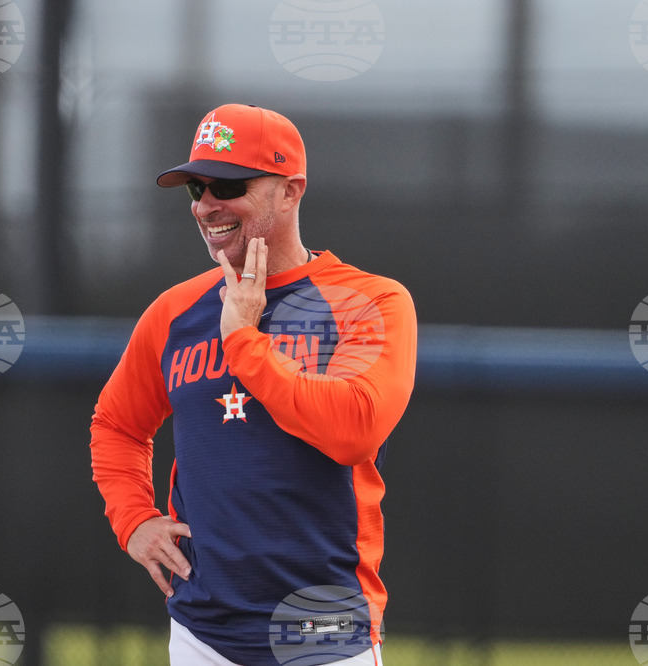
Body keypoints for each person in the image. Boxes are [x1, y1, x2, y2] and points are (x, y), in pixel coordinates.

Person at [89, 103, 417, 666]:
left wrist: (243, 338)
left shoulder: (371, 301)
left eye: (228, 185)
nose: (206, 205)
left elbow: (353, 431)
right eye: (196, 188)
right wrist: (135, 521)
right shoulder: (175, 312)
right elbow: (116, 425)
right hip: (202, 635)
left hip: (326, 636)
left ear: (290, 191)